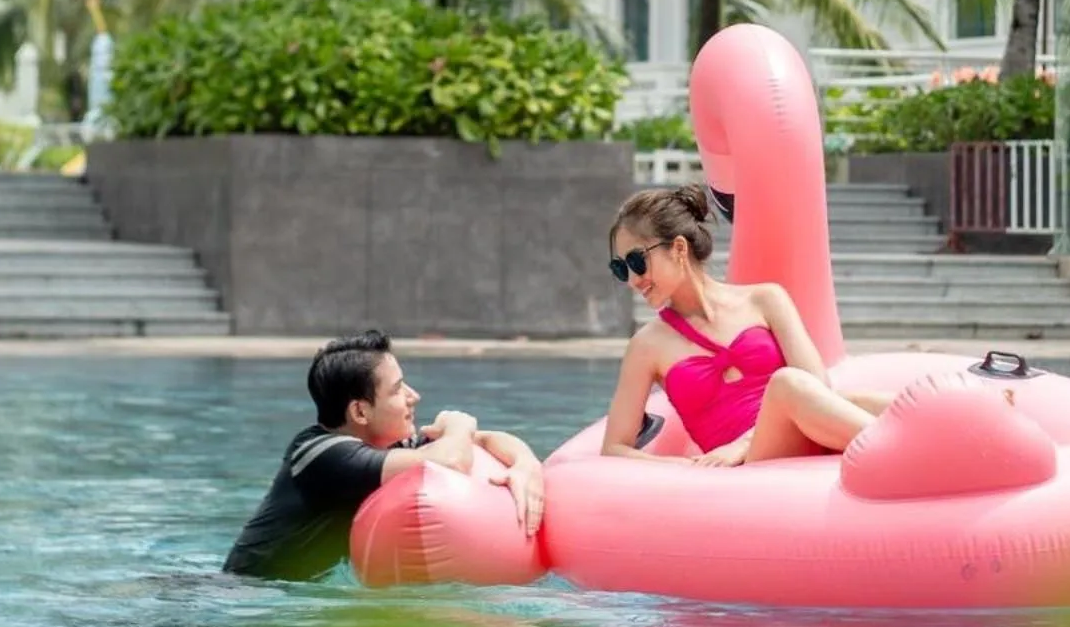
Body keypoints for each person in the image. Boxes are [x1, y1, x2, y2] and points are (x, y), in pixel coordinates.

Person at [601, 185, 890, 466]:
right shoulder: (646, 345)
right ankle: (898, 449)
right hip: (748, 467)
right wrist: (690, 465)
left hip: (796, 434)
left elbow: (817, 386)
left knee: (867, 401)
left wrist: (744, 442)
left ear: (678, 248)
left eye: (637, 261)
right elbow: (615, 447)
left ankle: (920, 442)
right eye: (620, 268)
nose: (632, 280)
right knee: (785, 384)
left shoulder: (766, 299)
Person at [223, 330, 545, 580]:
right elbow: (452, 460)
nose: (413, 397)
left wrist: (526, 464)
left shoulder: (382, 447)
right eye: (397, 389)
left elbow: (487, 440)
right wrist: (461, 421)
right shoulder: (322, 456)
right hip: (247, 597)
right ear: (360, 411)